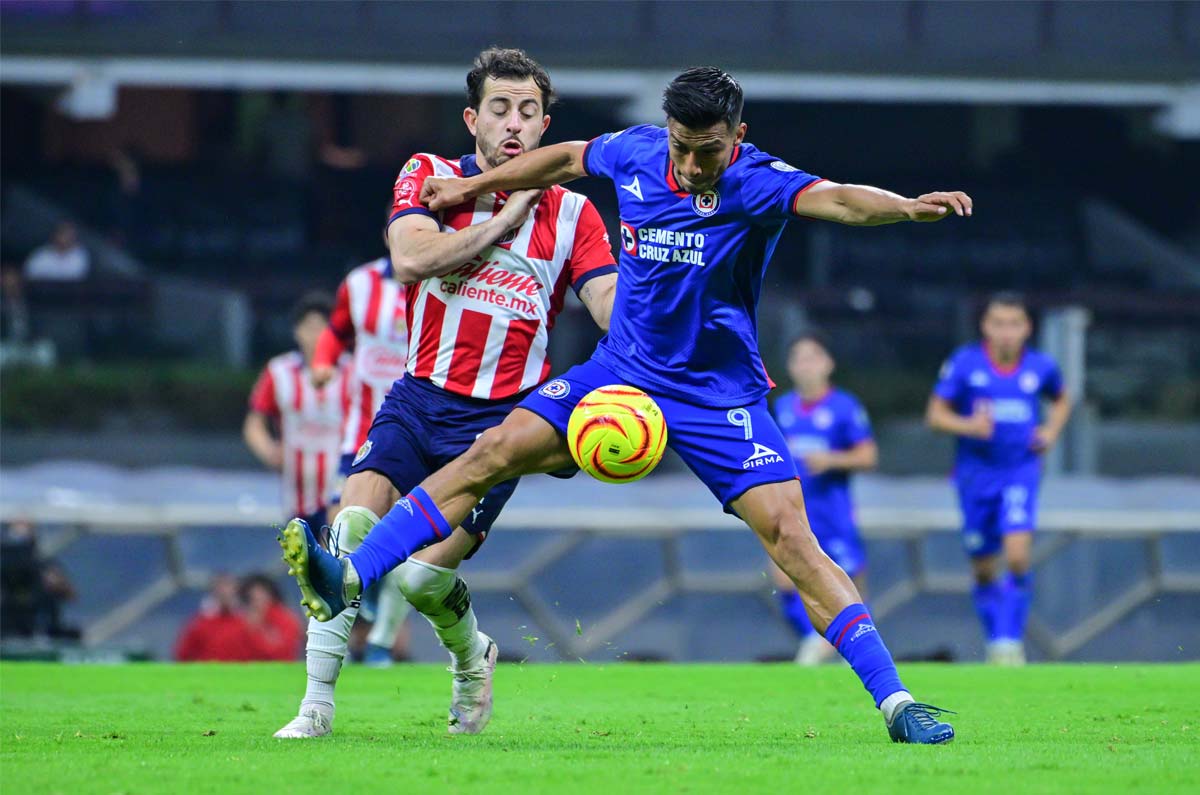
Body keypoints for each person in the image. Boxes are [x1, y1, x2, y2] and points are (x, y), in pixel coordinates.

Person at [284, 66, 971, 744]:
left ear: (738, 136)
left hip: (717, 393)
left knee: (792, 536)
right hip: (621, 373)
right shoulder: (639, 150)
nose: (694, 165)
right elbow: (566, 157)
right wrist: (471, 185)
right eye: (683, 148)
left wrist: (906, 207)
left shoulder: (756, 180)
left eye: (709, 150)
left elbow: (843, 200)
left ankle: (897, 702)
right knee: (491, 451)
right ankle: (351, 573)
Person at [272, 47, 617, 739]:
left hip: (500, 426)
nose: (513, 122)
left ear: (546, 125)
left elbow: (610, 306)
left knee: (420, 583)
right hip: (417, 396)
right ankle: (315, 706)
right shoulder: (428, 175)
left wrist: (667, 340)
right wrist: (500, 219)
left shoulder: (575, 214)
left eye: (527, 111)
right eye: (499, 108)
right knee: (347, 533)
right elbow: (410, 257)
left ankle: (472, 660)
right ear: (473, 118)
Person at [926, 292, 1072, 665]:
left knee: (1019, 556)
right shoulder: (965, 364)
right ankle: (996, 640)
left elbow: (1061, 398)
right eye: (998, 323)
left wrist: (1051, 432)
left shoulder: (1040, 367)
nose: (1006, 332)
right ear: (985, 326)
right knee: (984, 566)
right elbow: (936, 416)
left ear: (1027, 328)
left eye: (1014, 324)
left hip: (1019, 471)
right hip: (975, 476)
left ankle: (1010, 642)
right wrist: (969, 425)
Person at [312, 251, 413, 667]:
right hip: (362, 431)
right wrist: (322, 361)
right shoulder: (359, 283)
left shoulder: (449, 275)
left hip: (415, 430)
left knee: (410, 544)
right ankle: (343, 632)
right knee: (341, 524)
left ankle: (381, 644)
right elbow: (336, 331)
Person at [770, 331, 877, 665]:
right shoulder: (782, 408)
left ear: (828, 363)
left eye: (813, 357)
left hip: (834, 515)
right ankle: (814, 643)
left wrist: (832, 460)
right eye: (799, 358)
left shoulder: (844, 407)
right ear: (789, 367)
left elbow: (868, 456)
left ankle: (855, 651)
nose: (806, 365)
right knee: (785, 582)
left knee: (848, 586)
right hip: (795, 513)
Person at [244, 292, 347, 532]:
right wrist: (269, 451)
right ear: (296, 331)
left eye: (322, 327)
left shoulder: (351, 372)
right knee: (302, 561)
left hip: (340, 491)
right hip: (296, 495)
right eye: (308, 327)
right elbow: (254, 423)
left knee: (336, 558)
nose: (315, 335)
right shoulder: (279, 372)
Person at [23, 221, 90, 282]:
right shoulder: (41, 255)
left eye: (70, 235)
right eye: (63, 234)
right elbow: (30, 276)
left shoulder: (80, 255)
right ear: (55, 235)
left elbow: (79, 278)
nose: (66, 238)